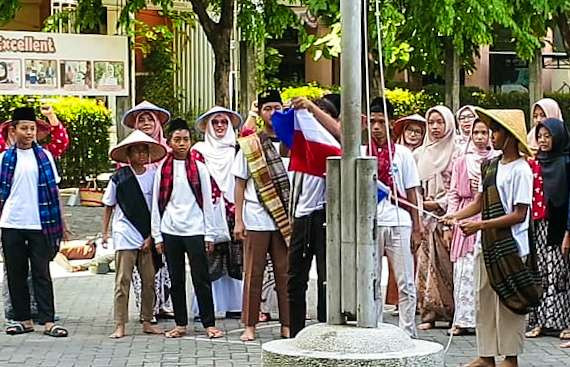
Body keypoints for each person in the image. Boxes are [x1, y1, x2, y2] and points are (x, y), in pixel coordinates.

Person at [444, 108, 539, 367]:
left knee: (508, 303)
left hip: (511, 247)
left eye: (495, 130)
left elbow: (519, 214)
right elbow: (479, 202)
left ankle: (509, 357)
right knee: (483, 298)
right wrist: (454, 216)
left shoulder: (522, 170)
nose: (491, 136)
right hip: (486, 244)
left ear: (509, 136)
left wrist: (480, 225)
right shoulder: (491, 165)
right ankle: (486, 356)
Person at [151, 118, 224, 339]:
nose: (182, 144)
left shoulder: (200, 168)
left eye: (186, 139)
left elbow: (208, 203)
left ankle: (208, 324)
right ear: (169, 142)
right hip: (170, 230)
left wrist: (209, 233)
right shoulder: (162, 169)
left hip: (195, 230)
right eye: (177, 139)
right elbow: (156, 203)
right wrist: (157, 236)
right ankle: (180, 323)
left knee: (201, 278)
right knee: (176, 279)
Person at [0, 107, 67, 337]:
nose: (29, 133)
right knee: (15, 273)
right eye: (24, 128)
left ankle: (48, 321)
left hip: (41, 224)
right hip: (11, 223)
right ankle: (23, 320)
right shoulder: (4, 158)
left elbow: (54, 190)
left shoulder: (45, 156)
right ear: (13, 130)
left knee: (42, 272)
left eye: (32, 129)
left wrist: (63, 223)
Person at [233, 89, 291, 341]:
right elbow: (239, 184)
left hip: (285, 218)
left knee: (285, 272)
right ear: (260, 112)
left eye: (277, 108)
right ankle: (250, 325)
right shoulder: (250, 144)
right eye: (268, 109)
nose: (273, 113)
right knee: (253, 273)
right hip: (256, 216)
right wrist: (238, 219)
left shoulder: (293, 141)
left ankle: (288, 324)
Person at [285, 95, 341, 337]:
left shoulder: (333, 147)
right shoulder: (302, 145)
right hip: (301, 216)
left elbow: (340, 131)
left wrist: (311, 108)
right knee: (295, 278)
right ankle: (296, 331)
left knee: (326, 278)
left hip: (325, 216)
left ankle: (324, 331)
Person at [102, 130, 167, 339]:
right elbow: (108, 206)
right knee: (123, 280)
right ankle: (120, 324)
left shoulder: (155, 176)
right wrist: (104, 233)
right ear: (128, 156)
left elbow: (158, 207)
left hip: (147, 234)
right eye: (136, 151)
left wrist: (152, 236)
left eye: (143, 151)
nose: (140, 155)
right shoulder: (119, 178)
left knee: (149, 281)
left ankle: (147, 320)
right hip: (124, 233)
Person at [367, 100, 421, 338]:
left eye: (381, 121)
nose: (376, 127)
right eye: (372, 122)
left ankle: (407, 331)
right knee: (372, 279)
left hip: (400, 221)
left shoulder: (403, 154)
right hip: (371, 223)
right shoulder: (362, 153)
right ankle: (375, 328)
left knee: (405, 280)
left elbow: (412, 192)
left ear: (390, 123)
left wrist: (417, 228)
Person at [121, 101, 174, 322]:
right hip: (136, 221)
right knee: (140, 266)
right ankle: (147, 309)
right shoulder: (126, 160)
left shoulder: (170, 154)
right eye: (141, 119)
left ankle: (164, 304)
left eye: (149, 119)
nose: (145, 123)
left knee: (165, 264)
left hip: (166, 217)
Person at [191, 106, 243, 319]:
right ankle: (207, 305)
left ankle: (235, 305)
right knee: (209, 258)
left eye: (224, 122)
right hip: (208, 211)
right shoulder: (199, 151)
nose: (220, 126)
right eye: (215, 122)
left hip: (234, 210)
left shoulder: (237, 150)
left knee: (235, 258)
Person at [446, 118, 498, 336]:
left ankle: (483, 321)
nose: (479, 137)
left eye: (484, 132)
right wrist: (451, 221)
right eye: (476, 133)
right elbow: (454, 193)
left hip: (489, 215)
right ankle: (461, 320)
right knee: (463, 271)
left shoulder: (497, 159)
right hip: (466, 214)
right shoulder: (461, 161)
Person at [413, 105, 459, 330]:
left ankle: (453, 313)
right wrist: (421, 208)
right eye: (431, 122)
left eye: (440, 122)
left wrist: (440, 206)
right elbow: (414, 187)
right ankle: (429, 313)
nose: (435, 127)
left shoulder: (457, 151)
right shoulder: (420, 153)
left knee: (448, 267)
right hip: (425, 218)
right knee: (425, 266)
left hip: (449, 217)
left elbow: (457, 188)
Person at [525, 118, 570, 347]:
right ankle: (541, 320)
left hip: (559, 227)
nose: (543, 141)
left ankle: (564, 322)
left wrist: (568, 232)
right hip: (538, 226)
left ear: (558, 137)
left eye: (548, 136)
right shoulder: (535, 163)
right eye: (540, 136)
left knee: (560, 274)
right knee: (541, 271)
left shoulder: (566, 162)